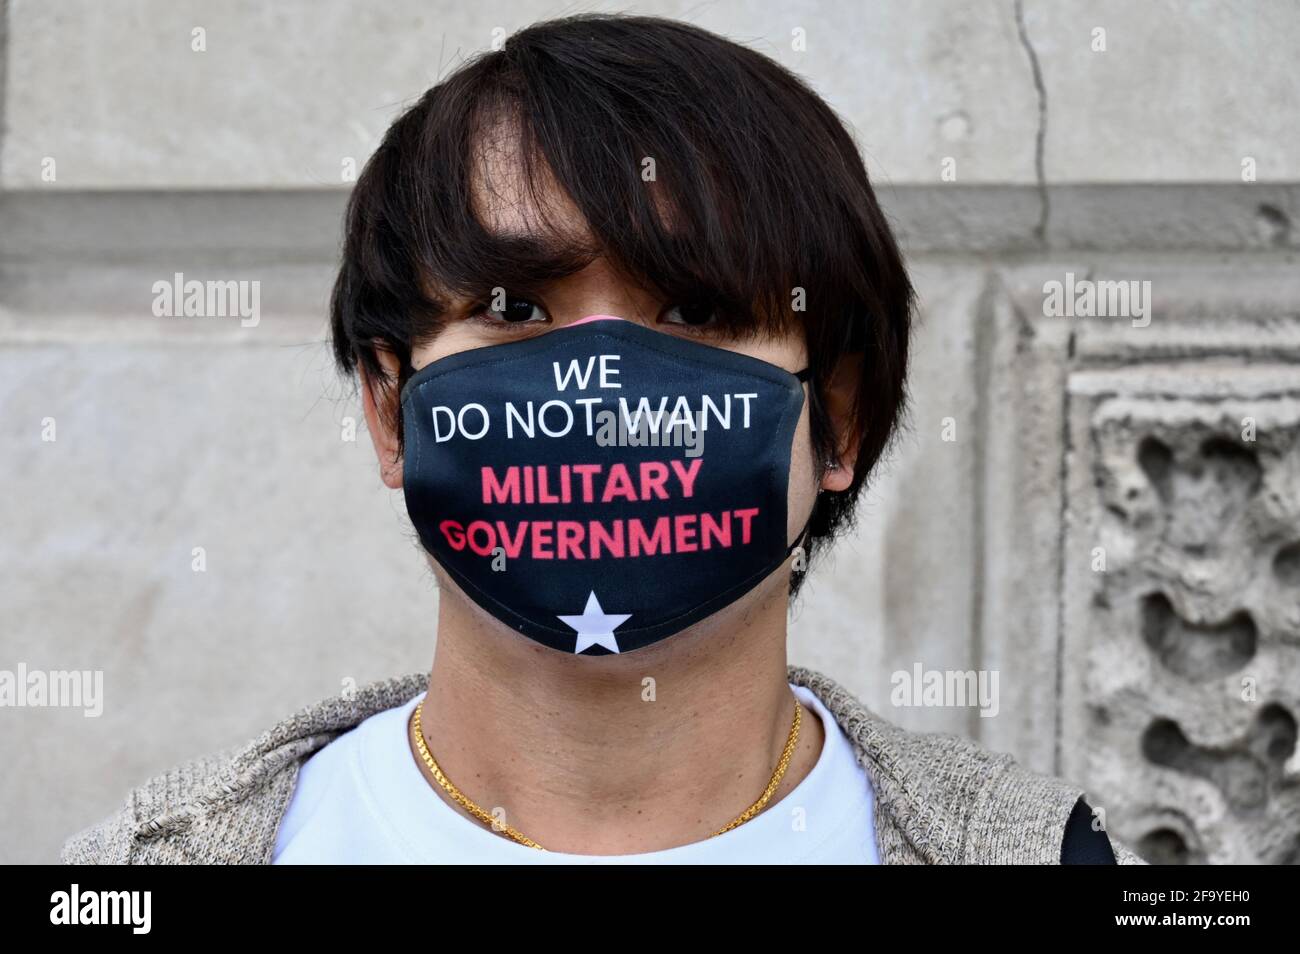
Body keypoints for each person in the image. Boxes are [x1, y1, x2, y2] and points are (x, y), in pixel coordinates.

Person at [61, 13, 1141, 865]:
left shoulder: (1050, 857)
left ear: (838, 421)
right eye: (517, 309)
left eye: (696, 314)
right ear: (391, 410)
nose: (604, 390)